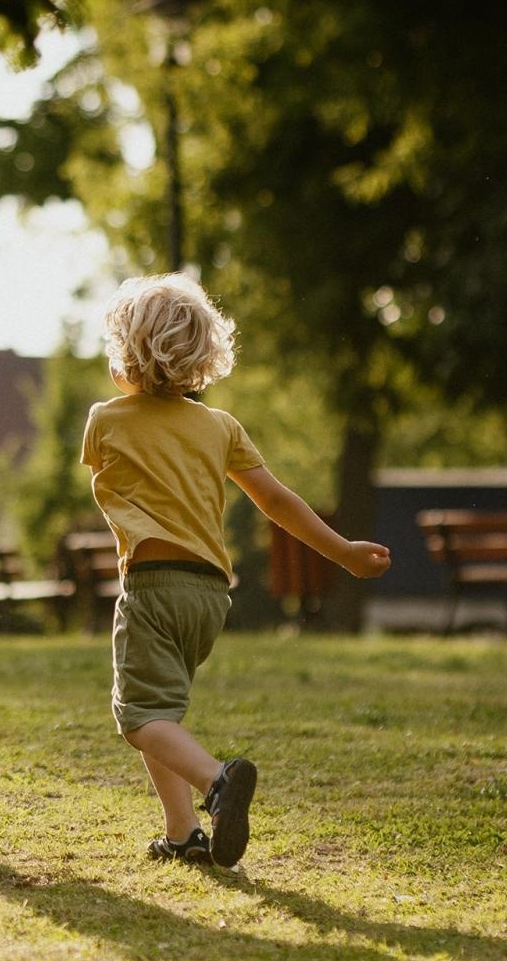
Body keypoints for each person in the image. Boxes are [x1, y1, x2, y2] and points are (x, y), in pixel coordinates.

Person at [81, 274, 391, 867]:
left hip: (151, 587)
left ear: (124, 355)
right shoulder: (221, 427)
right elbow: (276, 501)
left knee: (139, 716)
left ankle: (216, 781)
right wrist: (344, 552)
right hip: (209, 596)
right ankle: (182, 833)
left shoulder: (106, 419)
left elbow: (110, 471)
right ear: (204, 359)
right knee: (162, 712)